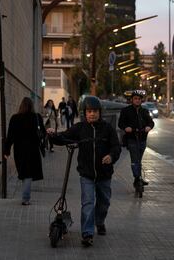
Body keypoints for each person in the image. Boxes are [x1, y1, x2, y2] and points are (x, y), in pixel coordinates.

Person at [47, 96, 121, 247]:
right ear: (85, 113)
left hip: (104, 174)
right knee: (87, 203)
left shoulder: (107, 129)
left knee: (103, 203)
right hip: (86, 174)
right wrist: (52, 136)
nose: (91, 114)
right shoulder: (80, 128)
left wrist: (111, 156)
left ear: (99, 112)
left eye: (94, 111)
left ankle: (99, 222)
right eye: (88, 111)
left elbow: (116, 147)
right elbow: (64, 137)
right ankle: (87, 234)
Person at [4, 97, 46, 205]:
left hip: (19, 150)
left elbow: (10, 136)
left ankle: (25, 197)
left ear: (21, 105)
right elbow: (43, 133)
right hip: (33, 150)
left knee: (24, 173)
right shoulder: (36, 117)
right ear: (32, 106)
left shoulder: (15, 118)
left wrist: (6, 151)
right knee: (28, 174)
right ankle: (25, 198)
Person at [118, 90, 154, 188]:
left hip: (142, 139)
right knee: (135, 159)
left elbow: (151, 122)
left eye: (139, 99)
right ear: (132, 100)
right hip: (132, 138)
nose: (137, 101)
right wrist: (126, 128)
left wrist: (148, 127)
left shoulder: (144, 111)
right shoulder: (126, 111)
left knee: (138, 160)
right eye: (135, 99)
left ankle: (137, 179)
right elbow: (120, 123)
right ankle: (138, 178)